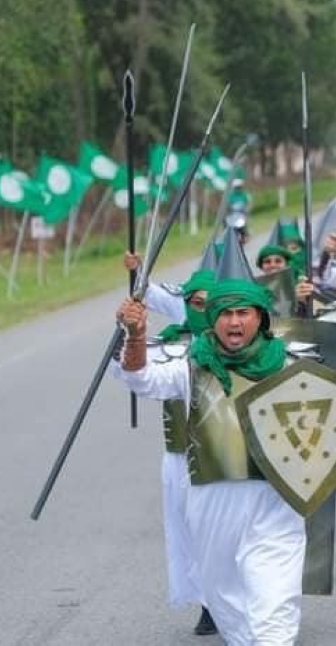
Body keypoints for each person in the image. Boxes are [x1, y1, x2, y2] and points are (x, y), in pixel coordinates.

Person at [112, 279, 306, 646]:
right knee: (227, 602)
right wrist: (136, 335)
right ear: (213, 319)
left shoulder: (292, 364)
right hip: (212, 502)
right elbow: (141, 379)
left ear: (259, 317)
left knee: (275, 605)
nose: (235, 322)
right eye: (226, 314)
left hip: (275, 501)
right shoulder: (190, 365)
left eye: (243, 313)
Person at [113, 261, 219, 637]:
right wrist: (129, 332)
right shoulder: (173, 345)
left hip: (231, 458)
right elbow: (133, 374)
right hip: (181, 458)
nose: (200, 308)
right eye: (194, 301)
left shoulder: (251, 345)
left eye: (209, 302)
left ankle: (241, 601)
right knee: (190, 532)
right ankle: (208, 603)